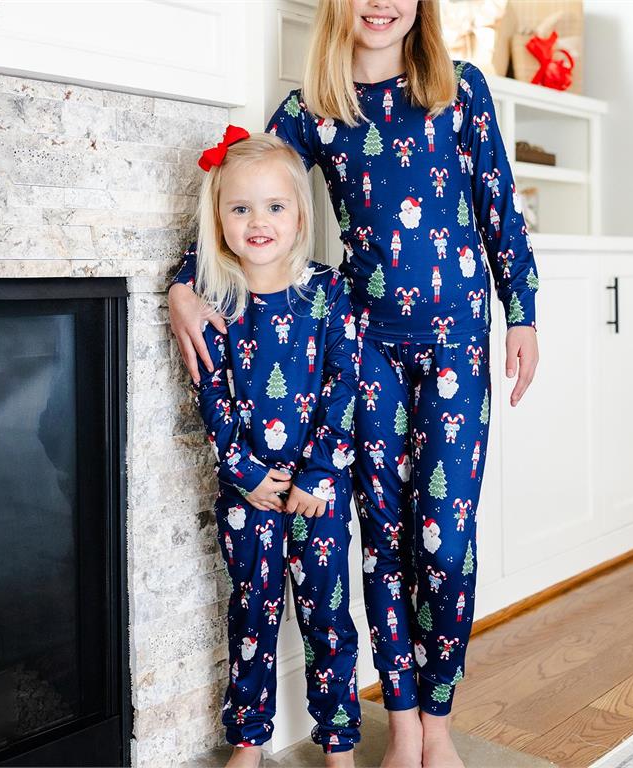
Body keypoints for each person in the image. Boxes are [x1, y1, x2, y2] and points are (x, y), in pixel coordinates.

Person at [170, 2, 539, 766]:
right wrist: (183, 282)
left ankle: (439, 717)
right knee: (383, 535)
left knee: (445, 535)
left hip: (457, 344)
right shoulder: (313, 109)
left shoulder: (460, 88)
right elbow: (239, 194)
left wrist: (523, 313)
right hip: (362, 346)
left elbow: (500, 207)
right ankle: (401, 720)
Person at [184, 126, 361, 768]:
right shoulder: (216, 298)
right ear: (219, 218)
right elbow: (212, 392)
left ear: (299, 214)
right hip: (247, 493)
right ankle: (250, 743)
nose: (258, 221)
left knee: (327, 620)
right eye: (240, 208)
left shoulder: (327, 291)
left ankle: (338, 743)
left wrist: (318, 475)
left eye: (274, 206)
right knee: (252, 618)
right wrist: (243, 473)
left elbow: (346, 384)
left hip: (319, 492)